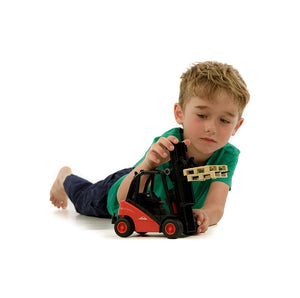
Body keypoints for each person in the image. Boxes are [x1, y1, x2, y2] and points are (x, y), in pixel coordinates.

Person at [50, 61, 250, 234]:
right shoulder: (169, 142)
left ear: (237, 126)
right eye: (202, 115)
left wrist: (205, 214)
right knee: (85, 200)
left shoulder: (227, 156)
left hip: (160, 214)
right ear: (179, 113)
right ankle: (65, 178)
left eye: (224, 120)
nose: (211, 128)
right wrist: (149, 163)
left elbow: (216, 205)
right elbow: (122, 198)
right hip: (123, 188)